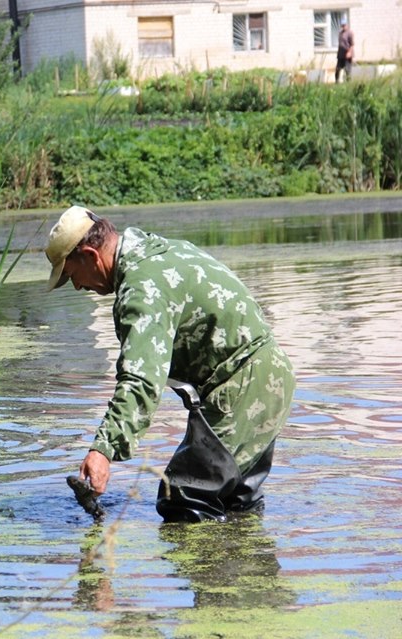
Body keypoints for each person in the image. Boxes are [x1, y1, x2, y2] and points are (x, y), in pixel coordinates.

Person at [45, 206, 295, 522]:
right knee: (236, 505)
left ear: (91, 256)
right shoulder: (157, 252)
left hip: (243, 388)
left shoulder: (142, 288)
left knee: (182, 497)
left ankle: (210, 565)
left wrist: (103, 450)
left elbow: (141, 380)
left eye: (70, 276)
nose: (78, 287)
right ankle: (246, 561)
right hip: (266, 379)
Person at [335, 19, 354, 83]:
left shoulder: (350, 33)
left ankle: (348, 82)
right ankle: (337, 82)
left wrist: (349, 52)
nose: (343, 26)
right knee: (338, 69)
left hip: (347, 54)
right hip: (340, 54)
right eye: (342, 25)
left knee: (347, 70)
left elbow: (352, 44)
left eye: (344, 25)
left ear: (347, 25)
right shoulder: (340, 33)